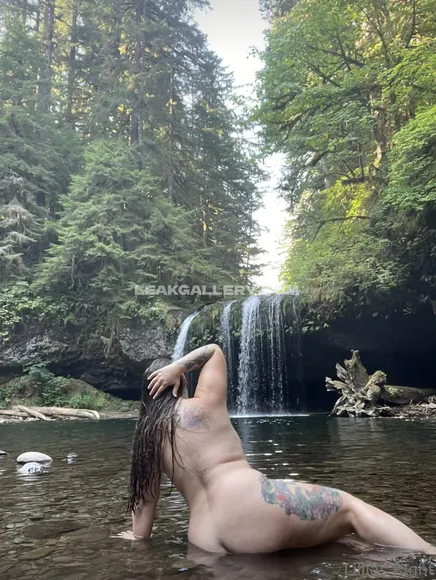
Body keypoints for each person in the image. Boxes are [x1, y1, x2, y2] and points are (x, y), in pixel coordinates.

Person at [121, 343, 435, 555]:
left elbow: (145, 504)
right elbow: (213, 351)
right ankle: (428, 554)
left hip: (203, 537)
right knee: (350, 508)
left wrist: (137, 538)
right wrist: (178, 366)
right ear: (178, 382)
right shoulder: (203, 404)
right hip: (250, 506)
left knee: (333, 535)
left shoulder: (147, 440)